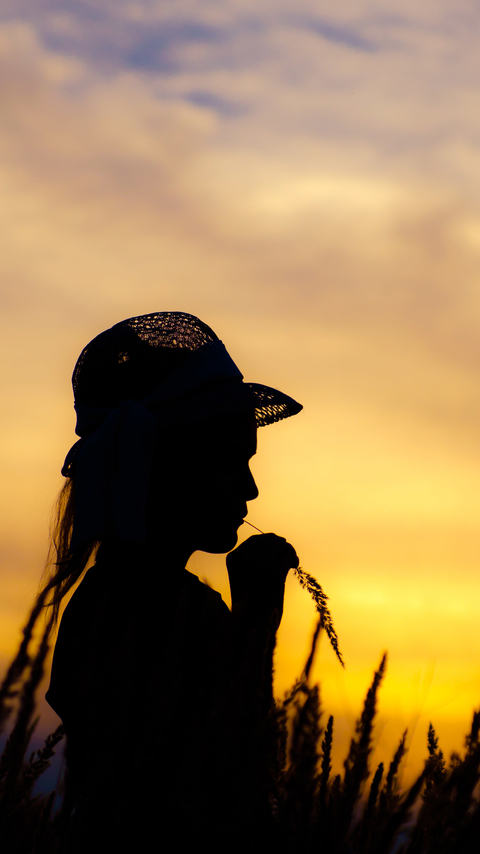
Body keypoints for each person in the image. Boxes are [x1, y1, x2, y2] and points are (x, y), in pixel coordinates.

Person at [40, 311, 302, 852]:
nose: (250, 490)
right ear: (168, 466)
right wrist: (254, 627)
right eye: (233, 463)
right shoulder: (162, 612)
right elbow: (226, 796)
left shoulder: (103, 599)